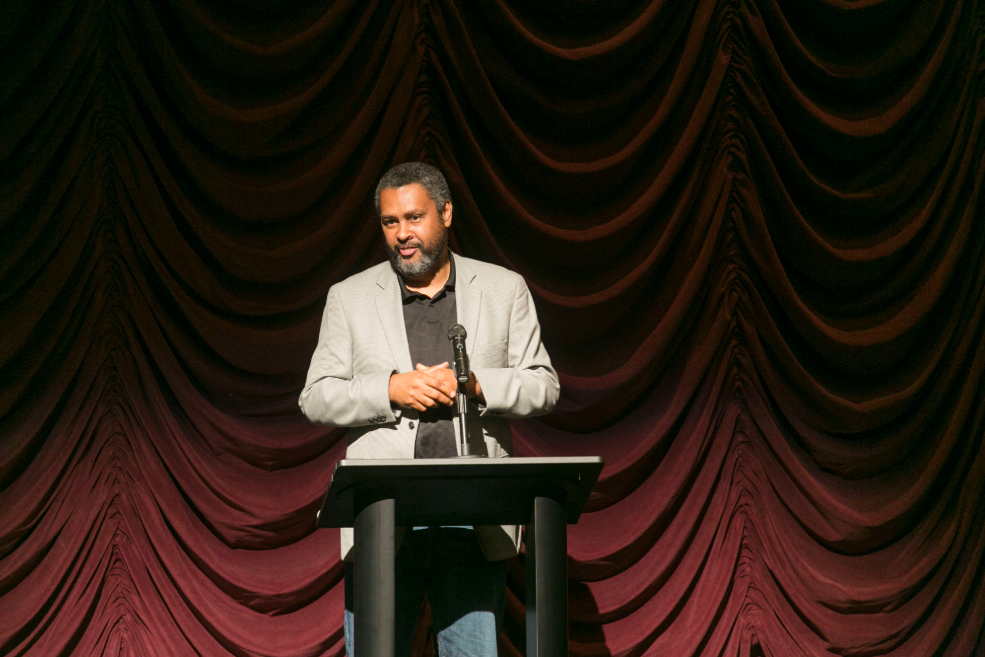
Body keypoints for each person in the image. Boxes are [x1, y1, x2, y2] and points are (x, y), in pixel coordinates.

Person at [299, 162, 559, 656]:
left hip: (472, 514)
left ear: (446, 212)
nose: (402, 234)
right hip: (382, 513)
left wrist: (477, 385)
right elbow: (315, 396)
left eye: (414, 218)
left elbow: (543, 387)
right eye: (390, 222)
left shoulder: (505, 289)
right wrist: (390, 390)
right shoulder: (350, 297)